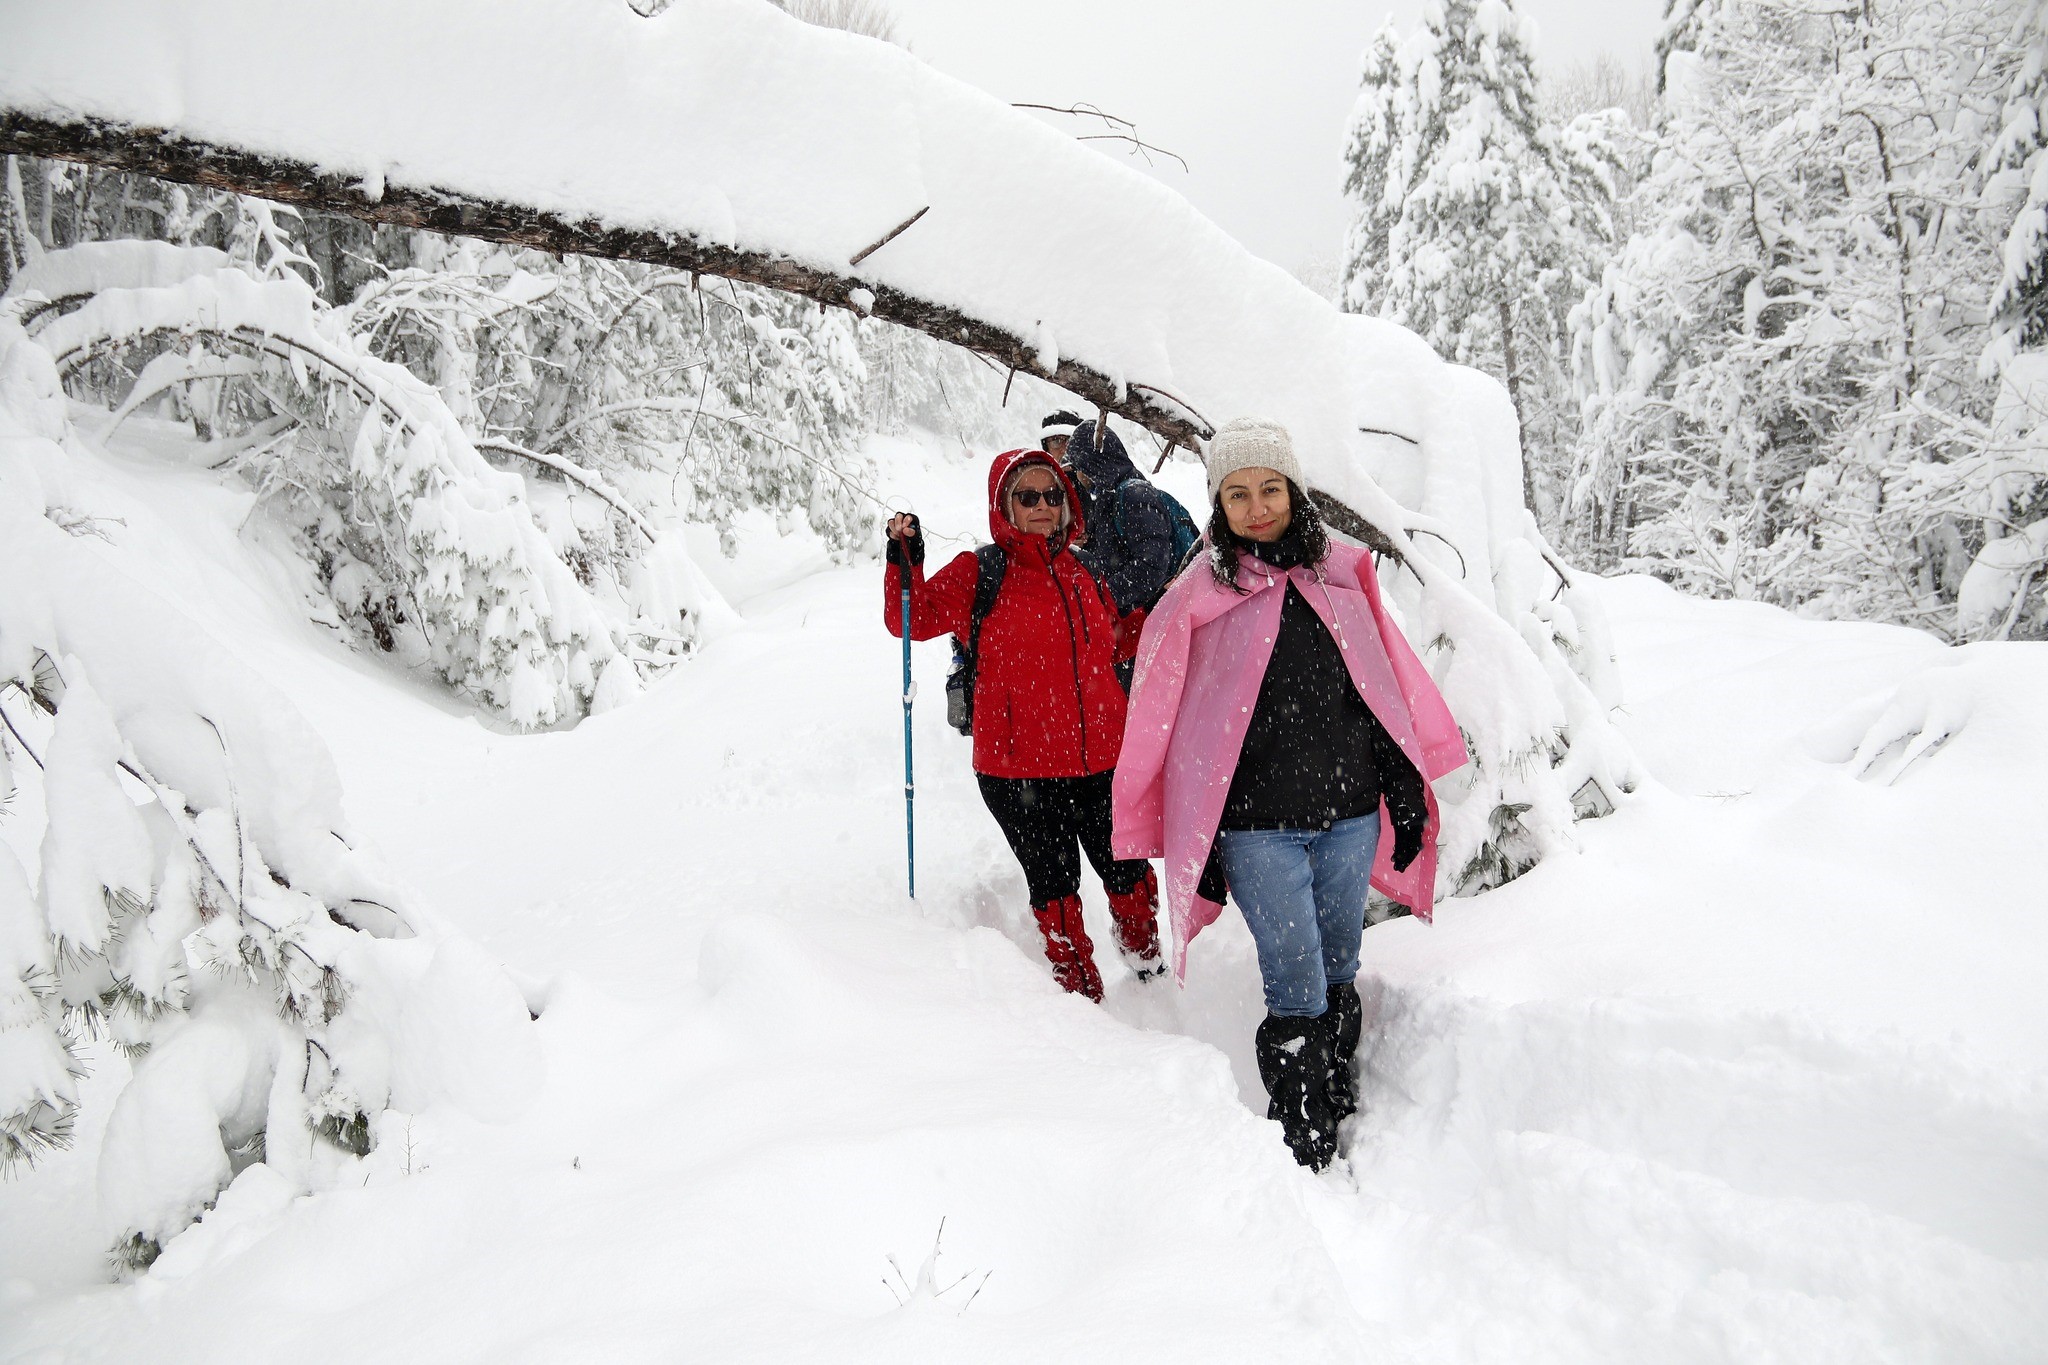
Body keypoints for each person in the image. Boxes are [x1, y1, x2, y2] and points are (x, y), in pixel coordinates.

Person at [1111, 417, 1467, 1170]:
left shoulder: (1339, 579)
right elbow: (1181, 729)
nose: (1257, 504)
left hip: (1347, 818)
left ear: (1294, 490)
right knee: (1297, 976)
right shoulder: (1199, 598)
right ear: (1219, 505)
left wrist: (1402, 791)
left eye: (1270, 487)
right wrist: (1194, 841)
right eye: (1237, 493)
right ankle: (1301, 1129)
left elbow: (1382, 697)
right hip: (1255, 831)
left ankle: (1334, 1083)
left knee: (1338, 961)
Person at [885, 449, 1163, 1001]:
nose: (1042, 506)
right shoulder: (980, 572)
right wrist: (904, 559)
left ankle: (1148, 968)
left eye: (1053, 495)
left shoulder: (1086, 571)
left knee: (1128, 874)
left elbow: (1120, 640)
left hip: (1102, 759)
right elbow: (908, 618)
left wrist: (1167, 615)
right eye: (1027, 496)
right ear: (1004, 505)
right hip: (1021, 771)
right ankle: (1080, 995)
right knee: (1055, 888)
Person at [1061, 418, 1185, 616]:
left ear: (1091, 463)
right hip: (1131, 616)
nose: (1078, 474)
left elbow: (1151, 565)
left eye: (1078, 467)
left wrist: (1103, 597)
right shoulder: (1108, 494)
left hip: (1149, 617)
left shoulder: (1134, 495)